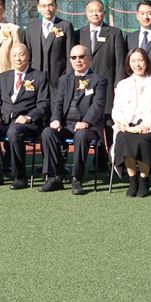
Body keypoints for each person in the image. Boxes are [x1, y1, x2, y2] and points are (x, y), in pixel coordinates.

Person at [0, 43, 48, 189]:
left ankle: (20, 177)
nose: (18, 58)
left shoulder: (39, 76)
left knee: (14, 132)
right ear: (10, 57)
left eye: (21, 54)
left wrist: (29, 117)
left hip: (28, 124)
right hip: (4, 122)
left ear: (28, 56)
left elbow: (44, 104)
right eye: (14, 55)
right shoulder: (3, 77)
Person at [39, 45, 108, 194]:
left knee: (81, 135)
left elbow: (98, 105)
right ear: (70, 60)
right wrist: (55, 119)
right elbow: (58, 103)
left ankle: (77, 178)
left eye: (82, 56)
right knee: (47, 133)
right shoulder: (64, 79)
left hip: (88, 126)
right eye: (74, 57)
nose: (78, 60)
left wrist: (86, 122)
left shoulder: (99, 80)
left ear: (89, 59)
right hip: (67, 125)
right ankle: (56, 176)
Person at [111, 48, 151, 197]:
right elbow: (117, 109)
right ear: (129, 63)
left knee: (142, 141)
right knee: (123, 138)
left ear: (146, 62)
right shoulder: (123, 84)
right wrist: (122, 122)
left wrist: (145, 125)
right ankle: (132, 180)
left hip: (150, 128)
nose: (137, 64)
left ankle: (144, 179)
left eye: (140, 60)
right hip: (127, 126)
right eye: (133, 61)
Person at [26, 0, 73, 91]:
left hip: (58, 81)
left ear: (56, 6)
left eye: (50, 5)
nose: (47, 9)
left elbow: (70, 56)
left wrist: (68, 78)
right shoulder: (31, 28)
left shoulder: (65, 26)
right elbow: (28, 56)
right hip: (35, 82)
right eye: (43, 6)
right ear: (38, 8)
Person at [78, 0, 126, 91]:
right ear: (86, 13)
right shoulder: (79, 34)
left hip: (107, 84)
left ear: (104, 13)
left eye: (98, 11)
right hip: (84, 84)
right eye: (91, 11)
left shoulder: (114, 33)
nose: (95, 14)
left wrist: (118, 85)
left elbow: (120, 62)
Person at [126, 1, 151, 73]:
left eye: (149, 13)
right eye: (142, 13)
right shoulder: (130, 38)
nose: (145, 17)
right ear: (137, 16)